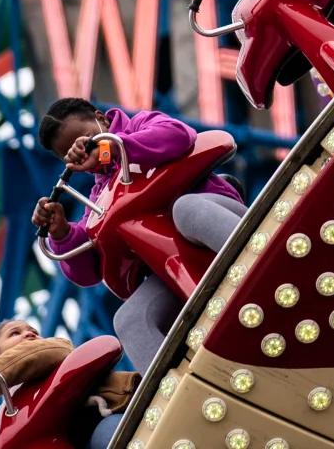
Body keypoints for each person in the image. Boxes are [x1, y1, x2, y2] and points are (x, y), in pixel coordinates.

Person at [34, 98, 245, 370]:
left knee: (185, 209)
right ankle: (179, 390)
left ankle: (262, 265)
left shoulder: (139, 127)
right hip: (172, 266)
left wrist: (108, 148)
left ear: (102, 118)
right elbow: (89, 269)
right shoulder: (100, 198)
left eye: (85, 138)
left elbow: (179, 136)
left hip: (214, 222)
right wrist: (61, 232)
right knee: (129, 319)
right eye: (69, 154)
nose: (81, 151)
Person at [0, 319, 138, 449]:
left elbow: (48, 351)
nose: (29, 333)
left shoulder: (54, 354)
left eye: (33, 331)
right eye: (15, 333)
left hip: (104, 418)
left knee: (109, 435)